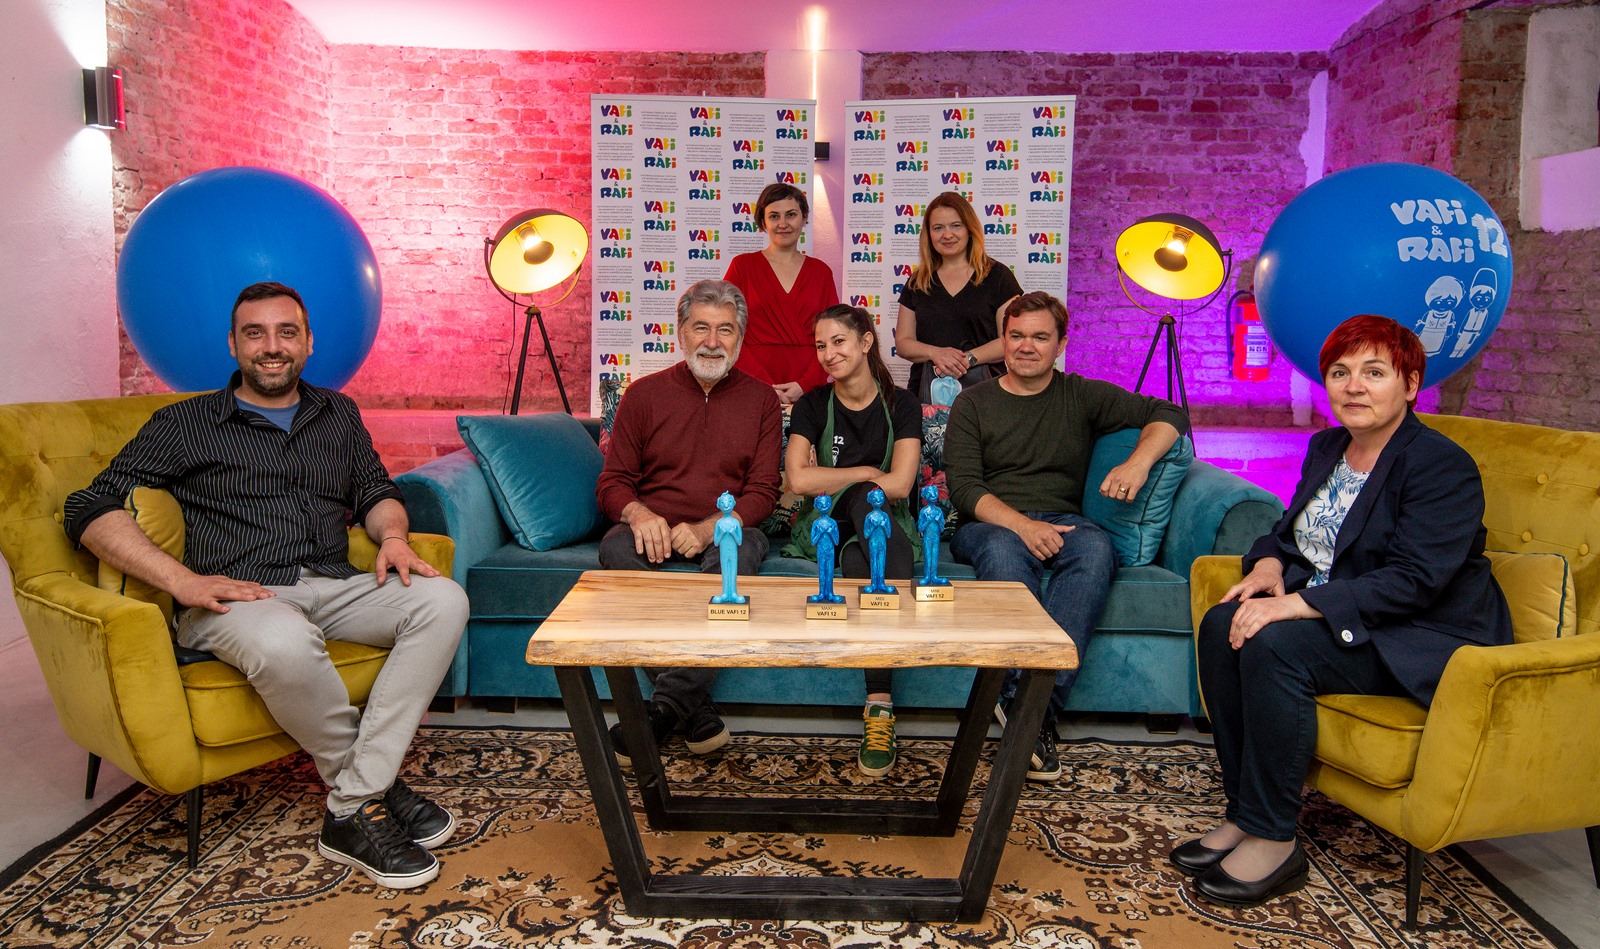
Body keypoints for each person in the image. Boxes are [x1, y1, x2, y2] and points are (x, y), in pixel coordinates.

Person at [63, 282, 469, 890]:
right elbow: (88, 505)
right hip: (240, 596)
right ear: (233, 344)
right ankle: (364, 798)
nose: (271, 346)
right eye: (255, 333)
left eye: (286, 332)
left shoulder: (338, 413)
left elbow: (375, 490)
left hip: (333, 581)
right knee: (282, 640)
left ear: (308, 342)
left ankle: (360, 790)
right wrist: (181, 581)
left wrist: (391, 536)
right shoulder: (186, 423)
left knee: (443, 601)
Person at [1174, 314, 1511, 908]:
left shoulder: (1440, 465)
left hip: (1418, 633)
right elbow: (1289, 533)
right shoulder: (1328, 447)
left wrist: (1298, 604)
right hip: (1349, 616)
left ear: (1410, 384)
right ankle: (1245, 812)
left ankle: (1275, 839)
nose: (1354, 386)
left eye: (1374, 372)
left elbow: (1415, 580)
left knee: (1273, 642)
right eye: (1340, 372)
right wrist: (1268, 565)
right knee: (1222, 623)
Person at [944, 291, 1188, 782]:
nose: (1026, 346)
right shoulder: (973, 402)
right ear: (1003, 340)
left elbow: (1170, 413)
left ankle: (1026, 710)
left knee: (1097, 548)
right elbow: (965, 489)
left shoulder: (1081, 394)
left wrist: (1138, 463)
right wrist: (1023, 525)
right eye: (1016, 335)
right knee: (1004, 551)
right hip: (989, 524)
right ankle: (1033, 715)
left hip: (1065, 520)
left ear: (1060, 345)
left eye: (1040, 337)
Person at [595, 279, 782, 768]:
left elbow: (764, 492)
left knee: (739, 550)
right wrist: (639, 514)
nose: (712, 342)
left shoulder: (762, 400)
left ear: (740, 339)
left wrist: (708, 528)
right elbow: (612, 483)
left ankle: (661, 711)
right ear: (680, 333)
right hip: (652, 530)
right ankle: (694, 708)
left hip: (728, 528)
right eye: (701, 328)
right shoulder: (643, 394)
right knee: (615, 548)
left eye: (726, 330)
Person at [781, 304, 921, 777]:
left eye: (838, 342)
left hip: (878, 522)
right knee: (867, 495)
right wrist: (863, 471)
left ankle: (878, 705)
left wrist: (853, 481)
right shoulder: (813, 404)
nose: (828, 354)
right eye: (820, 345)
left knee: (866, 551)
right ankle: (882, 705)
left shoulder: (901, 404)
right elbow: (799, 480)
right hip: (825, 522)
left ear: (865, 342)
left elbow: (901, 484)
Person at [894, 191, 1022, 404]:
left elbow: (1012, 338)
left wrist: (967, 359)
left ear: (970, 229)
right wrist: (936, 354)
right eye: (938, 228)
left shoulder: (998, 276)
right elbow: (903, 342)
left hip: (986, 396)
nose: (947, 235)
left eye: (956, 225)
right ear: (928, 234)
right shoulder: (917, 281)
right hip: (926, 397)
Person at [723, 182, 840, 404]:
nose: (783, 224)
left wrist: (805, 384)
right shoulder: (742, 267)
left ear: (804, 218)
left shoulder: (821, 272)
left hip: (809, 388)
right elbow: (726, 331)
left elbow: (833, 336)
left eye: (791, 215)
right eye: (774, 216)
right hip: (750, 382)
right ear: (763, 222)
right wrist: (763, 385)